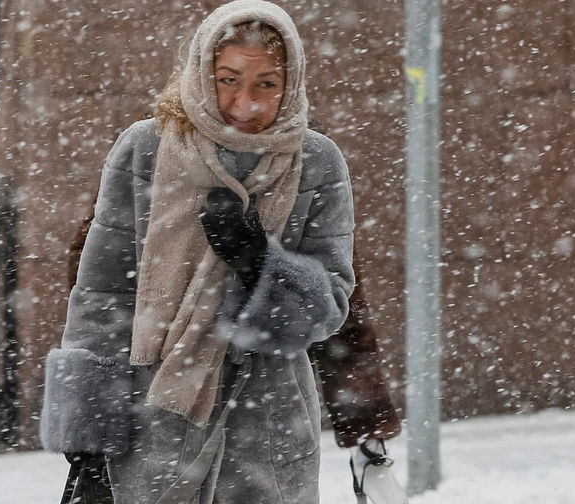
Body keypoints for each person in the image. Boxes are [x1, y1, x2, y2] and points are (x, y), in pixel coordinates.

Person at [41, 1, 357, 502]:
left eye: (266, 84)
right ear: (201, 71)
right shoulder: (144, 148)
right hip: (150, 417)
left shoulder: (316, 161)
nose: (245, 103)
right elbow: (103, 297)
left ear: (291, 82)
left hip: (267, 423)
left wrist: (259, 262)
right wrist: (89, 441)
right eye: (228, 79)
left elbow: (332, 305)